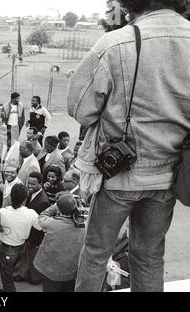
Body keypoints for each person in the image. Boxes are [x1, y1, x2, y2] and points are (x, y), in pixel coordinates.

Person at [68, 0, 190, 292]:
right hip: (169, 177)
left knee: (97, 253)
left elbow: (80, 109)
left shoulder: (114, 44)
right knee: (149, 257)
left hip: (118, 176)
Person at [34, 193, 85, 292]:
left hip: (50, 272)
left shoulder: (52, 224)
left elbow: (42, 215)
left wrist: (55, 206)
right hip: (71, 272)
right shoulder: (84, 227)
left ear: (58, 208)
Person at [0, 184, 42, 292]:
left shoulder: (1, 212)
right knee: (10, 274)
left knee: (7, 279)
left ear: (11, 196)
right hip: (22, 248)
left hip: (6, 250)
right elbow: (40, 227)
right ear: (25, 198)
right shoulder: (31, 213)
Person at [24, 171, 51, 285]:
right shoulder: (32, 193)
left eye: (33, 184)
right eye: (29, 183)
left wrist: (32, 240)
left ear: (41, 184)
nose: (30, 186)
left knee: (33, 258)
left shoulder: (43, 201)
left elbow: (40, 225)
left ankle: (35, 279)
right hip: (30, 233)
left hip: (35, 237)